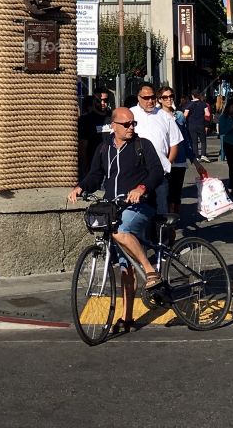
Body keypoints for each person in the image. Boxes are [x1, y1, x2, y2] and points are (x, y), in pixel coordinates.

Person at [68, 107, 165, 332]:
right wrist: (80, 187)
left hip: (140, 206)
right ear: (114, 126)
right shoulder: (104, 149)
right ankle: (126, 317)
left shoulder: (143, 146)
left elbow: (157, 173)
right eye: (126, 124)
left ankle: (151, 271)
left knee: (119, 231)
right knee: (125, 265)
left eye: (133, 124)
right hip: (114, 207)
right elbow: (95, 175)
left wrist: (142, 188)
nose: (131, 128)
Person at [131, 82, 182, 213]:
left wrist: (167, 164)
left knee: (161, 211)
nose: (150, 101)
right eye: (146, 98)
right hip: (137, 174)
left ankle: (161, 232)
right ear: (138, 97)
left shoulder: (164, 115)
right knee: (138, 211)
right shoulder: (131, 114)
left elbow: (175, 143)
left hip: (160, 174)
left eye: (152, 97)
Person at [159, 85, 196, 216]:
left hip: (179, 160)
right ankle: (166, 221)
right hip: (164, 159)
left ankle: (174, 222)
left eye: (171, 96)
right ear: (160, 100)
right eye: (165, 97)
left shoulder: (179, 115)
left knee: (176, 194)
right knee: (165, 193)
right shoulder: (157, 116)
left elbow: (185, 138)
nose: (168, 99)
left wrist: (194, 160)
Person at [77, 89, 112, 177]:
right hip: (93, 165)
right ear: (93, 100)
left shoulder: (114, 117)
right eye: (99, 100)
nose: (103, 103)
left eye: (105, 100)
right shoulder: (85, 120)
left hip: (111, 165)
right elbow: (82, 146)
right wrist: (84, 168)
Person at [184, 90, 208, 164]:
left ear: (192, 96)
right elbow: (207, 114)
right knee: (203, 140)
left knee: (194, 142)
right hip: (201, 124)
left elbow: (185, 115)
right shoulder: (203, 104)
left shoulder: (189, 104)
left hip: (191, 125)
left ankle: (196, 156)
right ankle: (203, 155)